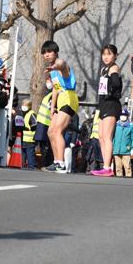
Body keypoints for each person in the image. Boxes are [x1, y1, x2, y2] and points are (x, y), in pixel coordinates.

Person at [41, 40, 79, 173]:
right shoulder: (52, 72)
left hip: (69, 97)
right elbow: (56, 89)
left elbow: (62, 64)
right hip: (60, 100)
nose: (47, 55)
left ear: (56, 52)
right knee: (50, 131)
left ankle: (61, 163)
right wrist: (53, 108)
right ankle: (57, 162)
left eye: (49, 52)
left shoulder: (61, 66)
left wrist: (55, 67)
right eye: (44, 53)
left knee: (57, 131)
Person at [91, 44, 123, 177]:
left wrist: (112, 88)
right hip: (104, 104)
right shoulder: (104, 69)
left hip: (112, 104)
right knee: (101, 136)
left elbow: (116, 83)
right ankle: (106, 166)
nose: (106, 56)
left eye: (109, 54)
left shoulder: (113, 67)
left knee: (107, 136)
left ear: (115, 56)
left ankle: (107, 167)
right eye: (104, 54)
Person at [34, 78, 53, 168]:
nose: (47, 83)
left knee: (44, 146)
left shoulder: (52, 95)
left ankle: (43, 163)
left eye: (49, 81)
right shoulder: (48, 94)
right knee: (39, 146)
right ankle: (40, 163)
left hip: (46, 124)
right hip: (42, 123)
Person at [112, 110, 133, 177]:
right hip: (116, 149)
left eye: (124, 115)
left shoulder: (131, 126)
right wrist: (112, 146)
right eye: (121, 115)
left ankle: (128, 178)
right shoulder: (116, 125)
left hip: (126, 150)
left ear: (127, 116)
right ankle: (119, 180)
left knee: (127, 166)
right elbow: (113, 137)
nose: (123, 117)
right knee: (118, 167)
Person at [22, 99, 37, 170]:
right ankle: (22, 165)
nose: (23, 107)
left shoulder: (31, 114)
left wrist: (29, 129)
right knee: (23, 153)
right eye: (23, 105)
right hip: (23, 138)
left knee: (30, 154)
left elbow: (35, 124)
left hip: (30, 139)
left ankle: (32, 167)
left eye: (25, 105)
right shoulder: (24, 113)